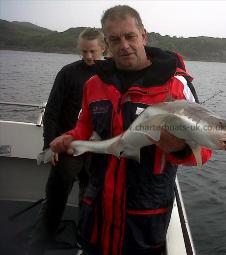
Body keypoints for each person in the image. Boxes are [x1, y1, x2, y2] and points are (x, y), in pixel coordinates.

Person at [49, 5, 212, 255]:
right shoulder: (94, 84)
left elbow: (204, 150)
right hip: (97, 207)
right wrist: (70, 137)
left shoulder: (176, 85)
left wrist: (179, 146)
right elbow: (84, 126)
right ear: (106, 43)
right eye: (115, 39)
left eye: (130, 36)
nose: (123, 45)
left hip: (145, 214)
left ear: (143, 35)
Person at [27, 28, 106, 255]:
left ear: (103, 48)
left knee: (89, 201)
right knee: (55, 200)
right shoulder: (68, 73)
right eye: (84, 51)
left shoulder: (110, 76)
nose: (88, 56)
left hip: (95, 150)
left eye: (93, 51)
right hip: (68, 148)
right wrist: (49, 145)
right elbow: (51, 111)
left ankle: (83, 244)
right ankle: (37, 247)